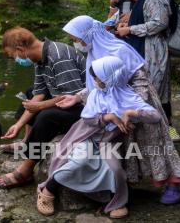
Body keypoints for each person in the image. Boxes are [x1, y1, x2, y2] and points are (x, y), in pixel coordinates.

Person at [58, 15, 180, 204]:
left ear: (89, 35)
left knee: (154, 141)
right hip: (115, 110)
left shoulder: (119, 50)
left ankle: (174, 183)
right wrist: (78, 97)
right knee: (127, 147)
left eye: (77, 39)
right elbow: (100, 84)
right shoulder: (94, 53)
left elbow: (140, 78)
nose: (76, 43)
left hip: (135, 102)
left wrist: (134, 107)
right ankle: (127, 183)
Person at [37, 56, 164, 218]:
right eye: (95, 78)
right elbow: (88, 120)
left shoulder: (130, 97)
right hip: (86, 136)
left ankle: (116, 202)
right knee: (79, 161)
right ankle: (47, 189)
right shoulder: (96, 94)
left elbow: (155, 117)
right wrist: (108, 117)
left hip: (108, 142)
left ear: (112, 77)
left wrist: (132, 112)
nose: (95, 82)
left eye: (98, 78)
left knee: (115, 169)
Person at [0, 27, 86, 189]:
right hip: (66, 99)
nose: (16, 59)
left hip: (84, 107)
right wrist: (18, 125)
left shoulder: (59, 56)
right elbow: (39, 93)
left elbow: (74, 97)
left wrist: (41, 106)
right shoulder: (39, 58)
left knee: (46, 116)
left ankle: (26, 170)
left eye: (13, 55)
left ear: (21, 49)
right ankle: (26, 141)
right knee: (29, 94)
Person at [117, 0, 178, 124]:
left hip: (153, 51)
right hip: (146, 48)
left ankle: (166, 137)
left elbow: (159, 23)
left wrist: (130, 29)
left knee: (155, 97)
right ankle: (168, 135)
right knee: (159, 97)